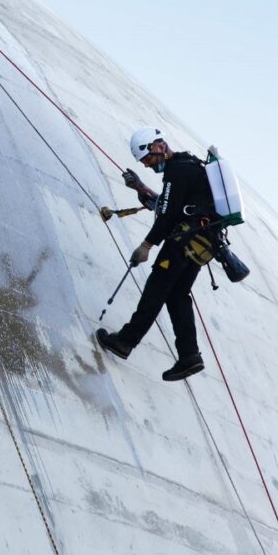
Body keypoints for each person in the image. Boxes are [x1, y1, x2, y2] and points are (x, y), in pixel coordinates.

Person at [95, 126, 216, 381]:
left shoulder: (177, 170)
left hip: (182, 242)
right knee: (177, 295)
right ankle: (189, 356)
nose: (148, 165)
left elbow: (168, 215)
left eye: (148, 159)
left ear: (158, 146)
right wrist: (140, 187)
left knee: (156, 290)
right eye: (144, 163)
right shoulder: (189, 165)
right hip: (201, 243)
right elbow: (169, 205)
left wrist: (147, 245)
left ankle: (126, 341)